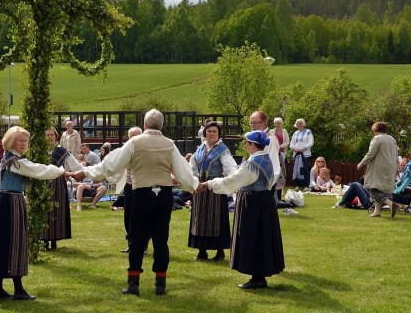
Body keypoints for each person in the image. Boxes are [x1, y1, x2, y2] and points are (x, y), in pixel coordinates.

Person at [76, 109, 198, 296]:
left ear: (145, 125)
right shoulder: (170, 144)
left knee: (136, 238)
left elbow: (110, 165)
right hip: (164, 194)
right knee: (161, 239)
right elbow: (183, 174)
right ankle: (160, 284)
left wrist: (86, 172)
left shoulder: (134, 142)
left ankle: (134, 283)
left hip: (141, 193)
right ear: (162, 126)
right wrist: (194, 185)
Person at [0, 126, 72, 300]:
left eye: (25, 141)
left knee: (2, 243)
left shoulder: (9, 160)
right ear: (11, 141)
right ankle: (18, 289)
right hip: (11, 203)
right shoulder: (15, 162)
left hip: (4, 203)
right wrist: (61, 171)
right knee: (15, 244)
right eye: (20, 140)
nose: (23, 143)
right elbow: (38, 170)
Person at [198, 131, 285, 290]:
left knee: (253, 237)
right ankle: (259, 277)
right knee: (261, 238)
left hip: (253, 203)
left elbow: (234, 181)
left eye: (246, 142)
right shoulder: (266, 159)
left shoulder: (253, 163)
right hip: (264, 201)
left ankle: (257, 278)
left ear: (252, 144)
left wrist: (210, 184)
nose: (244, 145)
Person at [187, 121, 238, 262]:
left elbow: (231, 168)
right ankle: (201, 250)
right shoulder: (201, 148)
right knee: (200, 218)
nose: (211, 134)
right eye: (209, 131)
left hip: (215, 188)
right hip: (200, 187)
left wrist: (232, 181)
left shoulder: (222, 150)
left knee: (216, 219)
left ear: (219, 134)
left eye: (214, 131)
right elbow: (192, 167)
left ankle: (220, 252)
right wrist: (189, 179)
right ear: (205, 133)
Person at [43, 128, 83, 250]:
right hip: (42, 184)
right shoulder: (39, 151)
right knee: (44, 211)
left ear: (56, 136)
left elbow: (75, 166)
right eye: (47, 135)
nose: (50, 137)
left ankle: (54, 240)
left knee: (56, 211)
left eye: (52, 135)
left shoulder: (62, 151)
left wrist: (87, 173)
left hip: (57, 184)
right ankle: (43, 240)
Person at [357, 122, 399, 217]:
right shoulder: (392, 139)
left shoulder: (377, 138)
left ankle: (390, 204)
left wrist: (361, 163)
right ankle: (377, 211)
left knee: (373, 187)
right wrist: (397, 167)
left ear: (375, 129)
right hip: (391, 167)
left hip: (379, 167)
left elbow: (370, 154)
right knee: (382, 189)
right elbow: (396, 154)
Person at [120, 126, 142, 253]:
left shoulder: (146, 149)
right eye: (133, 137)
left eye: (138, 136)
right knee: (128, 215)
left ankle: (142, 244)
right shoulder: (125, 150)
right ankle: (131, 243)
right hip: (129, 185)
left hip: (142, 186)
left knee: (141, 216)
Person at [268, 117, 289, 200]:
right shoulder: (271, 132)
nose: (277, 125)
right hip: (274, 152)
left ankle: (280, 187)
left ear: (281, 124)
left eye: (278, 123)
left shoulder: (284, 132)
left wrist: (280, 146)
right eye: (275, 123)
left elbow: (287, 142)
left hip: (282, 152)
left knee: (281, 169)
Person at [290, 118, 314, 190]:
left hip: (305, 154)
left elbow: (311, 142)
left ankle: (306, 185)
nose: (299, 125)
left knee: (305, 169)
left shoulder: (308, 132)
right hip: (297, 154)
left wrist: (303, 149)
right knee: (297, 170)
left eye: (300, 123)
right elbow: (291, 143)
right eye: (297, 123)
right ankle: (299, 184)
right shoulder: (295, 133)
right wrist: (295, 149)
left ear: (303, 124)